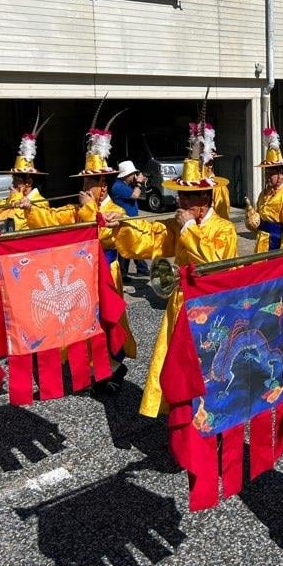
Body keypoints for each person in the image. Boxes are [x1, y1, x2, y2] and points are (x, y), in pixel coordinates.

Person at [109, 151, 237, 417]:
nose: (180, 201)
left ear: (204, 200)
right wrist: (121, 224)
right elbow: (152, 235)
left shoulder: (224, 228)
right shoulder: (179, 223)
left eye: (187, 197)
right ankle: (179, 409)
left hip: (209, 309)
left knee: (205, 364)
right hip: (179, 303)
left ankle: (208, 412)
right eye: (179, 195)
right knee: (176, 362)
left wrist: (190, 228)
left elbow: (216, 264)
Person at [25, 124, 127, 293]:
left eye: (89, 183)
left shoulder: (117, 211)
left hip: (107, 273)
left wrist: (89, 208)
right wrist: (31, 208)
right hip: (81, 274)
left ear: (103, 185)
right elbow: (52, 218)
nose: (85, 187)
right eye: (84, 182)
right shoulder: (76, 209)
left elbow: (104, 236)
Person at [246, 128, 283, 252]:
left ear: (282, 174)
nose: (267, 176)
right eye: (266, 172)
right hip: (261, 245)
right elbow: (258, 219)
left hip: (276, 245)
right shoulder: (264, 193)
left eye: (271, 173)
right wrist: (251, 219)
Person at [109, 160, 149, 278]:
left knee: (133, 245)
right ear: (127, 175)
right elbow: (135, 195)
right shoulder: (118, 186)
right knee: (126, 248)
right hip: (124, 221)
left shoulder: (125, 185)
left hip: (131, 220)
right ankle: (125, 272)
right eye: (133, 174)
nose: (134, 176)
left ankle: (136, 269)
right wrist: (139, 184)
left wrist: (139, 182)